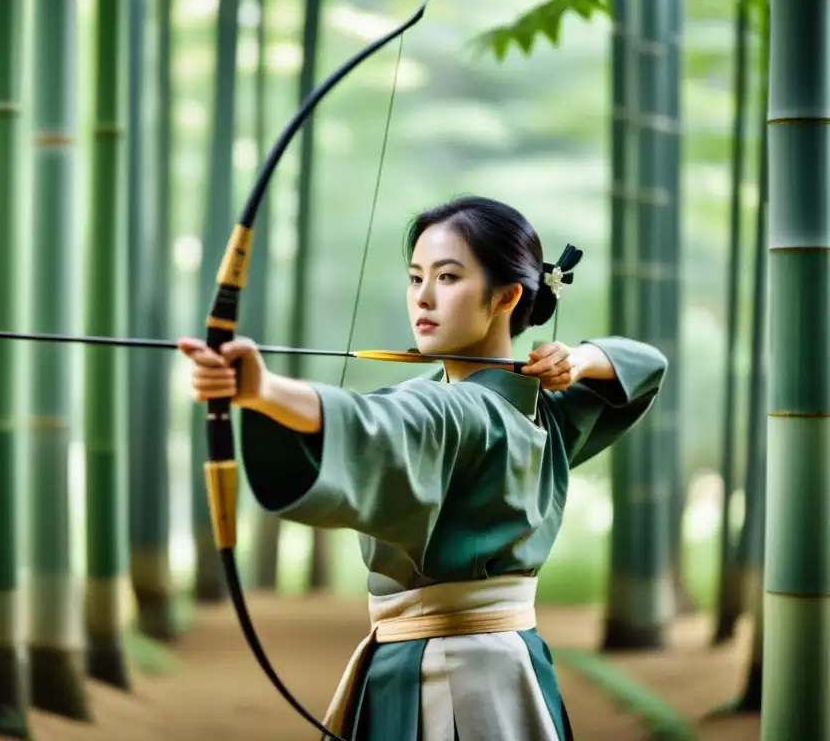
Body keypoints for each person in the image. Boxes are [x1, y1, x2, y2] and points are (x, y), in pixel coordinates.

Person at [177, 195, 667, 741]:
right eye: (415, 278)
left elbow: (373, 424)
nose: (423, 298)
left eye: (448, 277)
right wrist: (584, 362)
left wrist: (262, 390)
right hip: (507, 668)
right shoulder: (540, 409)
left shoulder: (469, 410)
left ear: (505, 296)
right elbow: (384, 417)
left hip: (452, 681)